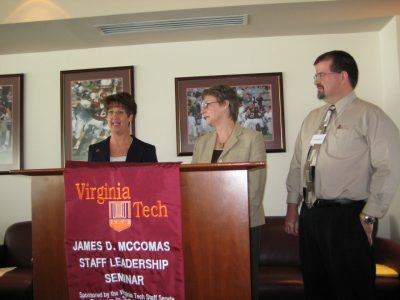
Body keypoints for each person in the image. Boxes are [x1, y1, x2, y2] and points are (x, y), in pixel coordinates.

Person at [284, 50, 400, 300]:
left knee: (351, 288)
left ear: (343, 75)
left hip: (349, 217)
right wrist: (293, 208)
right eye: (315, 75)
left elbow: (389, 165)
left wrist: (370, 215)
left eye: (321, 74)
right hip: (311, 215)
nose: (316, 80)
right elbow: (297, 165)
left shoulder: (370, 115)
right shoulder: (312, 118)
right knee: (316, 286)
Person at [191, 84, 266, 300]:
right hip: (207, 227)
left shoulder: (252, 138)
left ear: (225, 105)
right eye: (201, 105)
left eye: (207, 104)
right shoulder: (202, 142)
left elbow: (255, 186)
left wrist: (231, 221)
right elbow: (193, 183)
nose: (202, 109)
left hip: (243, 224)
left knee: (243, 283)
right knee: (212, 280)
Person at [88, 92, 157, 162]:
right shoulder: (94, 150)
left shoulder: (147, 151)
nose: (114, 117)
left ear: (130, 117)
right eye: (111, 112)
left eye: (120, 112)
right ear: (107, 117)